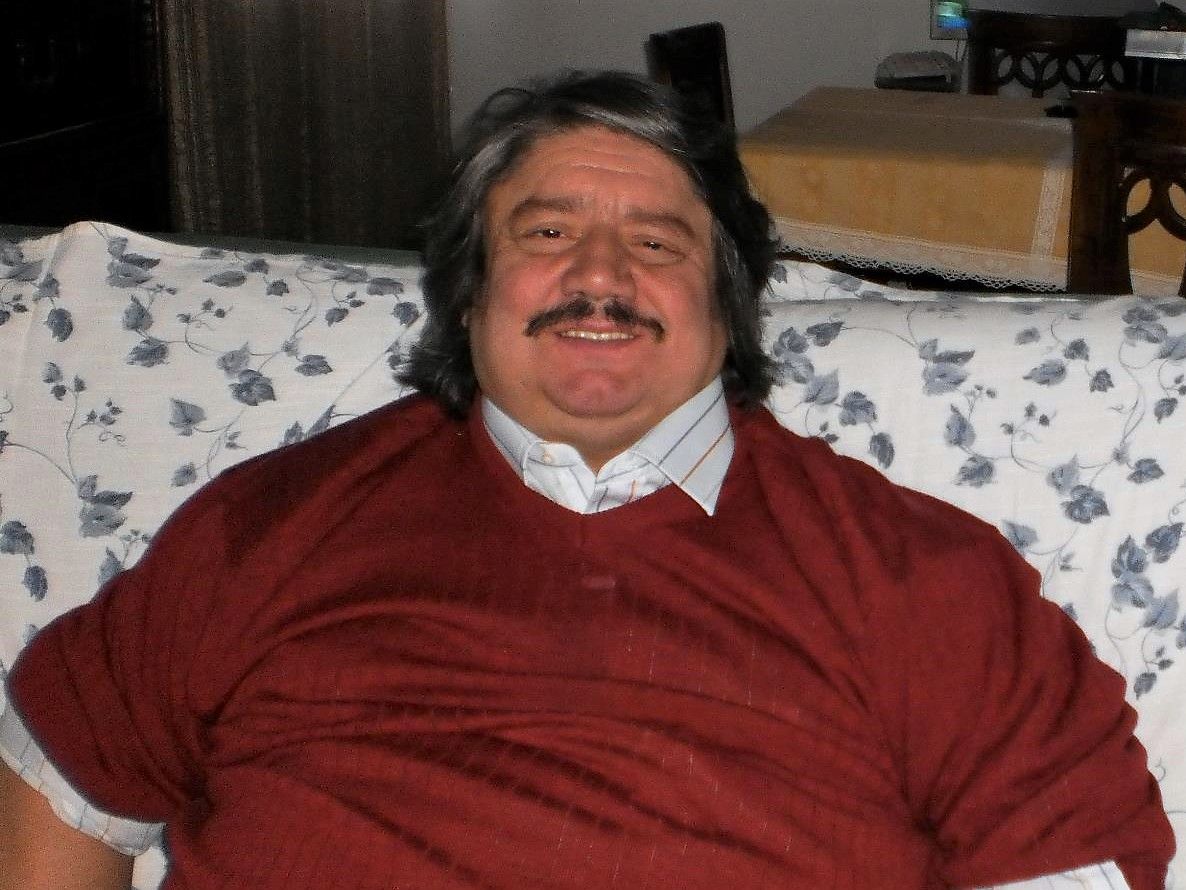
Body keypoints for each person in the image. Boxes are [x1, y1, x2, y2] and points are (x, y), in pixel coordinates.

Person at [0, 70, 1174, 890]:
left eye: (657, 244)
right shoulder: (270, 523)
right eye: (546, 234)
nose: (600, 274)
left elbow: (1068, 858)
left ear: (728, 305)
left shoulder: (921, 575)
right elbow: (62, 772)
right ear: (468, 290)